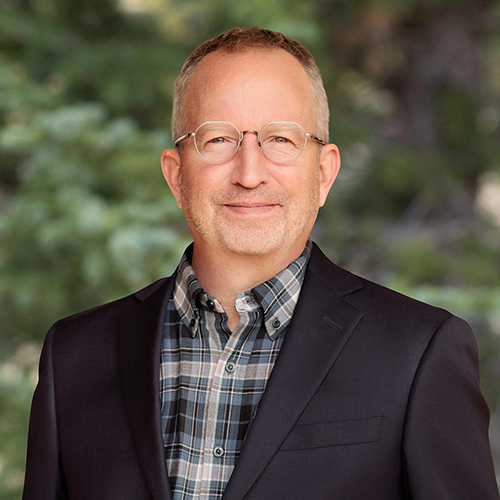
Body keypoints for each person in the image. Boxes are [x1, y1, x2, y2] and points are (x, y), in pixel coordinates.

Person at [23, 27, 499, 500]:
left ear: (324, 172)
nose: (249, 173)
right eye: (217, 140)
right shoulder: (74, 355)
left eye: (281, 139)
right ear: (175, 174)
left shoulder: (418, 353)